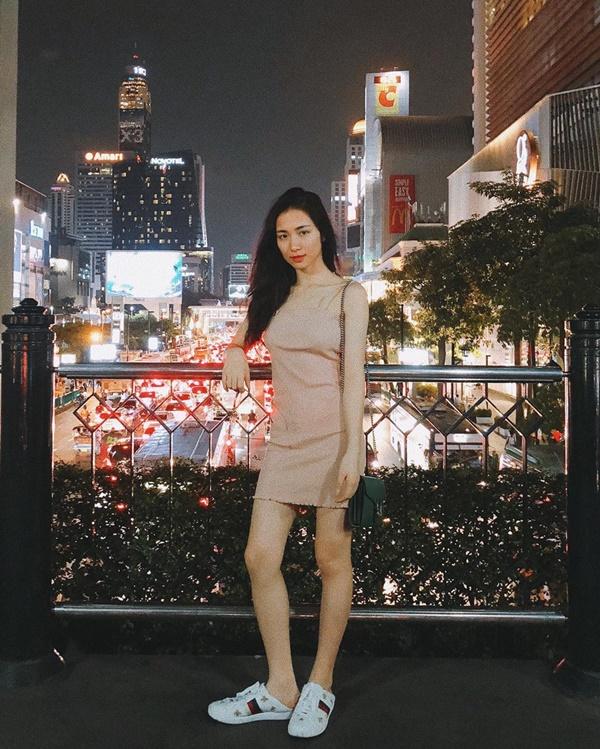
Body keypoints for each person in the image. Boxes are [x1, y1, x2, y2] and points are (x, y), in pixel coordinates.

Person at [207, 187, 369, 738]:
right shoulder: (274, 294)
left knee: (332, 563)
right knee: (259, 557)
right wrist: (235, 349)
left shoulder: (349, 294)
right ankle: (281, 687)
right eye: (282, 235)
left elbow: (353, 378)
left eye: (302, 231)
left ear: (322, 232)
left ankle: (320, 682)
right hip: (285, 444)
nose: (293, 244)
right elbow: (243, 333)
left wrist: (354, 450)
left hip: (333, 442)